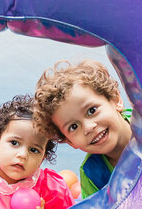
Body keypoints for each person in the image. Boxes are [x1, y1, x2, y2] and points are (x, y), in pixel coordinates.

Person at [34, 61, 133, 198]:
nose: (88, 128)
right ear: (70, 142)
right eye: (73, 127)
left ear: (116, 100)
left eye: (92, 110)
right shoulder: (91, 174)